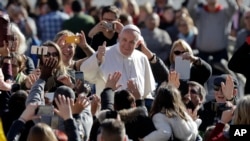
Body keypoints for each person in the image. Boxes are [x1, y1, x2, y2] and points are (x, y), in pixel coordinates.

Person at [80, 24, 155, 98]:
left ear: (137, 44)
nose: (127, 45)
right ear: (119, 37)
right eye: (124, 40)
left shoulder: (142, 58)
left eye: (132, 42)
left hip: (135, 108)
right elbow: (85, 75)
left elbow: (147, 93)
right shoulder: (104, 53)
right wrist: (97, 59)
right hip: (108, 107)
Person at [187, 0, 238, 75]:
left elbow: (234, 7)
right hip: (202, 54)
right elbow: (190, 8)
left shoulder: (225, 13)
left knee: (221, 81)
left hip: (220, 55)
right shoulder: (199, 13)